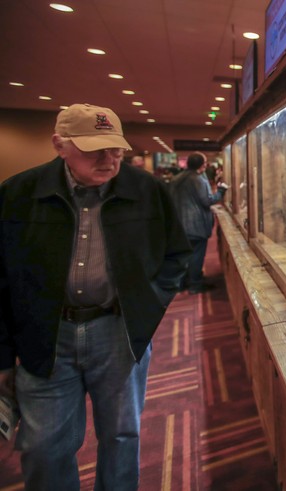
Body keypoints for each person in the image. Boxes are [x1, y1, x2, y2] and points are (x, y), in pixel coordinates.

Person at [0, 103, 191, 490]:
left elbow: (176, 255)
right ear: (60, 145)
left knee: (122, 435)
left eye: (116, 148)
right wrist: (4, 355)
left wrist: (147, 303)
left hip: (118, 332)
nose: (108, 159)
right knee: (43, 446)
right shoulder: (17, 194)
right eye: (94, 148)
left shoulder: (148, 190)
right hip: (46, 335)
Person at [170, 152, 227, 293]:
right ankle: (195, 285)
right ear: (202, 165)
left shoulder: (176, 179)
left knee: (183, 257)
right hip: (195, 226)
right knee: (196, 256)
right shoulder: (198, 180)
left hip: (178, 225)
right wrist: (221, 191)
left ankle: (181, 284)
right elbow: (207, 200)